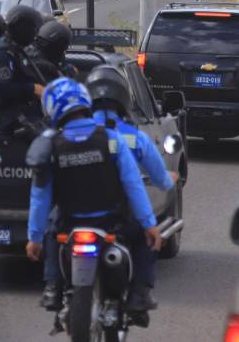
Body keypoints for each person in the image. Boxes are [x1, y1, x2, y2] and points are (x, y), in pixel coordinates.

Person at [26, 78, 163, 315]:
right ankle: (140, 295)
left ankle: (52, 288)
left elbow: (41, 197)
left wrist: (33, 237)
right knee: (144, 238)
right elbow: (133, 184)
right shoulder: (111, 139)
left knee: (50, 232)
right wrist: (150, 224)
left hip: (69, 223)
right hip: (111, 221)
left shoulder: (50, 146)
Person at [0, 5, 46, 135]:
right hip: (14, 120)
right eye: (33, 29)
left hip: (27, 113)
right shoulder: (2, 53)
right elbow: (2, 88)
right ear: (23, 27)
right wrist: (32, 88)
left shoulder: (15, 49)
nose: (35, 34)